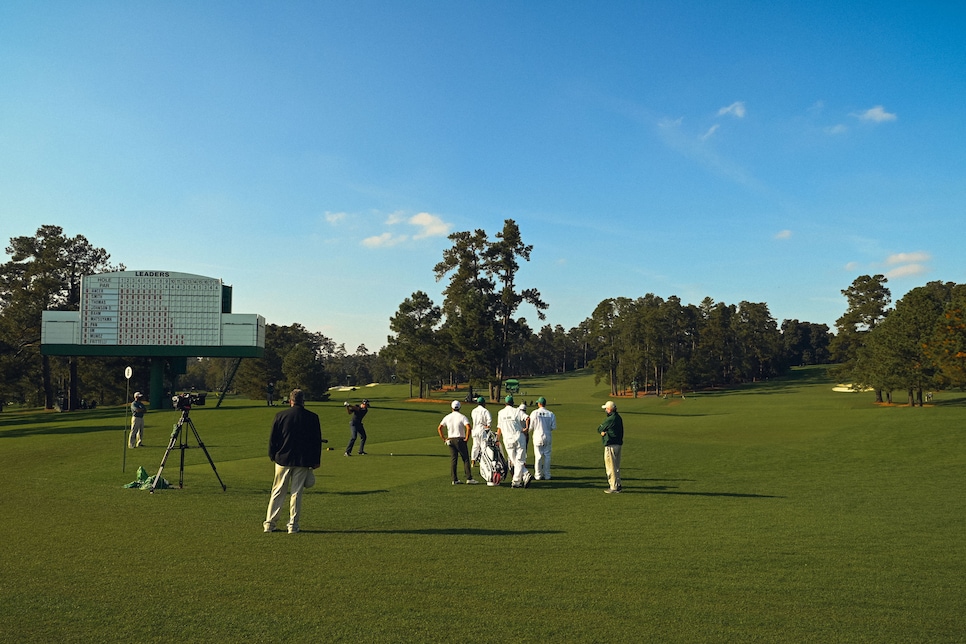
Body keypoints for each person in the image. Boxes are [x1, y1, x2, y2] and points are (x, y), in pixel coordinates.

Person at [264, 389, 323, 533]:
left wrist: (272, 455)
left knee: (277, 491)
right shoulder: (312, 417)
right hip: (303, 460)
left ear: (290, 400)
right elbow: (316, 441)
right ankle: (293, 526)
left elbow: (273, 439)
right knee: (296, 493)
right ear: (304, 401)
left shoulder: (280, 416)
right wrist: (316, 460)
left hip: (282, 459)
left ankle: (270, 524)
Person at [437, 400, 479, 485]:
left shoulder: (447, 417)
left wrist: (444, 439)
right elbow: (468, 427)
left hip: (450, 440)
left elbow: (439, 428)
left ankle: (454, 479)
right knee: (466, 459)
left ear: (452, 407)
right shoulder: (462, 417)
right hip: (460, 439)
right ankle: (469, 478)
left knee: (453, 459)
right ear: (459, 407)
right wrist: (467, 438)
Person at [497, 395, 532, 488]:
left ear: (505, 403)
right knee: (519, 460)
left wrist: (497, 438)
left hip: (507, 439)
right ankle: (524, 475)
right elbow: (527, 418)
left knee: (514, 460)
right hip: (519, 437)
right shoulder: (517, 411)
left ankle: (517, 481)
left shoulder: (500, 413)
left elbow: (499, 428)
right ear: (512, 403)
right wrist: (526, 428)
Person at [598, 400, 624, 493]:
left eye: (606, 409)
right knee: (616, 466)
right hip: (618, 444)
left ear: (609, 409)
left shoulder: (611, 419)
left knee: (610, 466)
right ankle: (618, 484)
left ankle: (613, 486)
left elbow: (600, 428)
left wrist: (603, 432)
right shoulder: (618, 417)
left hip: (611, 444)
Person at [528, 396, 556, 480]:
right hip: (547, 436)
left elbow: (531, 427)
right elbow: (553, 427)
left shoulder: (534, 413)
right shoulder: (550, 413)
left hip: (537, 436)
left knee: (538, 456)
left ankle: (538, 475)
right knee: (547, 456)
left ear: (539, 404)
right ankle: (547, 475)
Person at [470, 396, 491, 466]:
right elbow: (489, 421)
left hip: (475, 430)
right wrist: (487, 426)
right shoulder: (485, 411)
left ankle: (473, 461)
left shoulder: (473, 411)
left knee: (475, 446)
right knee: (483, 446)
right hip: (482, 430)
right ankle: (484, 462)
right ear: (483, 403)